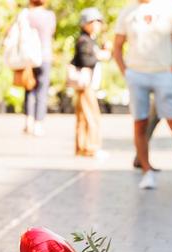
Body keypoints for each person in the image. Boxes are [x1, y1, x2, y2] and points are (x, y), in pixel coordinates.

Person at [113, 0, 172, 190]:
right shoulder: (128, 11)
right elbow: (117, 46)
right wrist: (127, 72)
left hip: (163, 73)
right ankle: (146, 171)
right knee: (140, 123)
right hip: (137, 74)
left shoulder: (169, 8)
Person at [72, 8, 110, 159]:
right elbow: (85, 60)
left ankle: (82, 147)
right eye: (92, 22)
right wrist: (100, 55)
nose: (96, 25)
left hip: (86, 84)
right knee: (92, 117)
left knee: (83, 117)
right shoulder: (84, 40)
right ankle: (92, 148)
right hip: (85, 84)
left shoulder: (90, 40)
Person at [23, 0, 55, 137]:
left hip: (28, 57)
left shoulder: (26, 15)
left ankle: (28, 121)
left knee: (29, 88)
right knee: (42, 90)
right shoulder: (49, 16)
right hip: (44, 55)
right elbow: (51, 33)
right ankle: (38, 124)